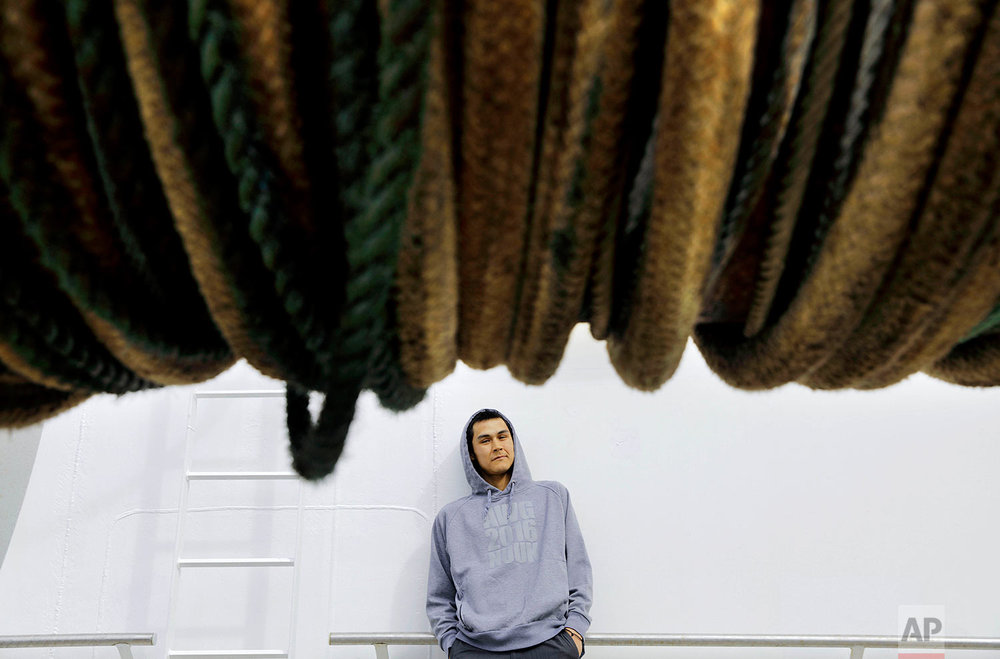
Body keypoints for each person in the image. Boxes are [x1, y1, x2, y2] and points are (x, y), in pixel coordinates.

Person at [426, 408, 593, 657]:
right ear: (471, 454)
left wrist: (575, 631)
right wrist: (453, 645)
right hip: (477, 648)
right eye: (485, 440)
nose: (496, 446)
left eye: (502, 437)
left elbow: (579, 570)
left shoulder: (553, 497)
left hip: (550, 644)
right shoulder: (450, 518)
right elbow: (439, 595)